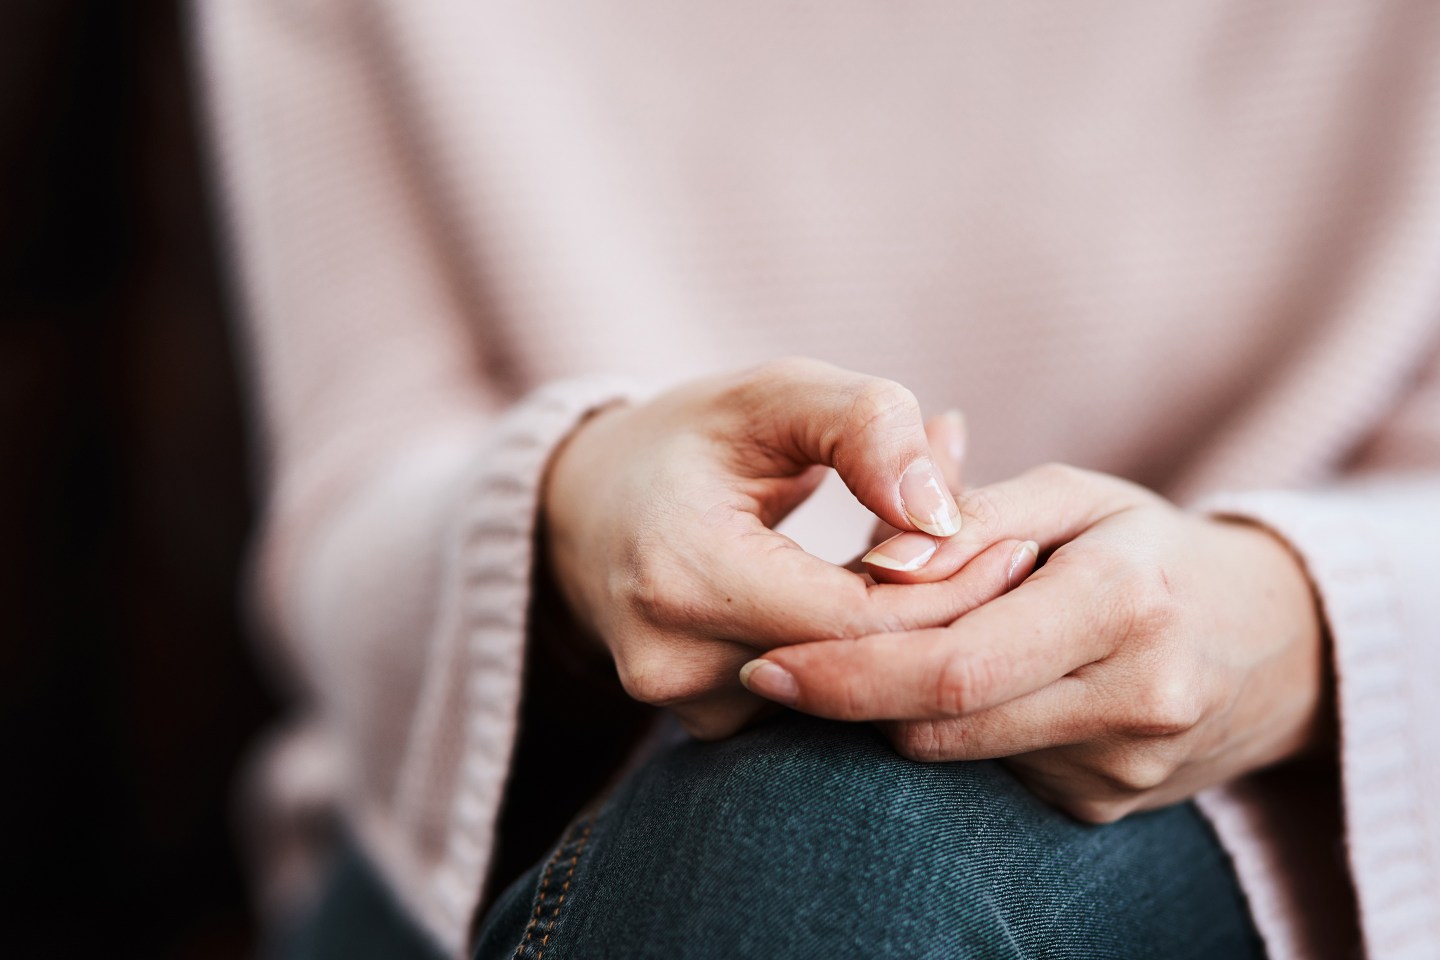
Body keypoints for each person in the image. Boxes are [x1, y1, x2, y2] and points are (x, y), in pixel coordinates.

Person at [197, 2, 1440, 958]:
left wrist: (1293, 626)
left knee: (823, 827)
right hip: (482, 819)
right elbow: (357, 476)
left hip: (1299, 812)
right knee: (808, 831)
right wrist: (576, 506)